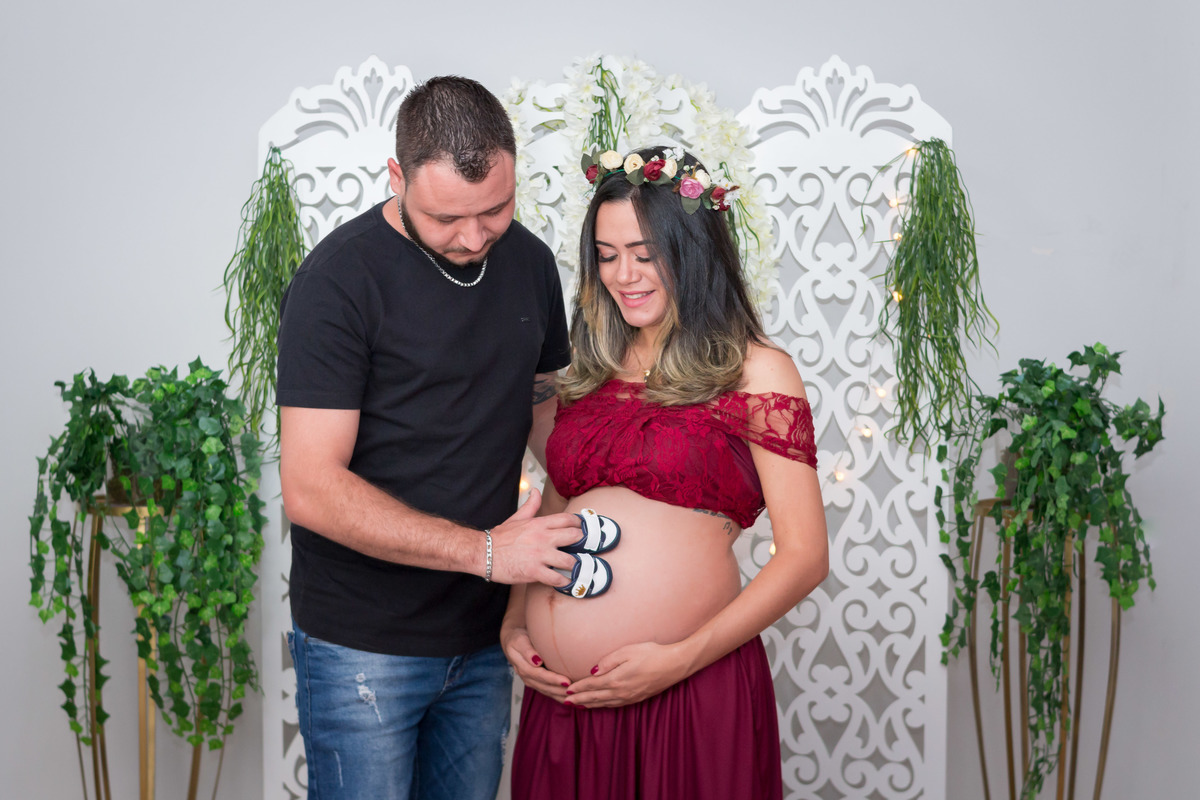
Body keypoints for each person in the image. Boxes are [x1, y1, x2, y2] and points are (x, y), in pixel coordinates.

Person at [276, 76, 583, 800]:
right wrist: (485, 552)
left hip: (483, 638)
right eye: (447, 217)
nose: (475, 238)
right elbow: (312, 489)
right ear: (396, 176)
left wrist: (632, 500)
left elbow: (547, 415)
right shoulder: (337, 283)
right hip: (362, 643)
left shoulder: (531, 263)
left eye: (496, 210)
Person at [502, 147, 830, 799]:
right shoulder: (588, 372)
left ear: (693, 249)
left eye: (645, 253)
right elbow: (561, 510)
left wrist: (678, 659)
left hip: (687, 690)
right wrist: (515, 621)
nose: (625, 274)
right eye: (607, 253)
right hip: (566, 702)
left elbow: (805, 556)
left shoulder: (757, 370)